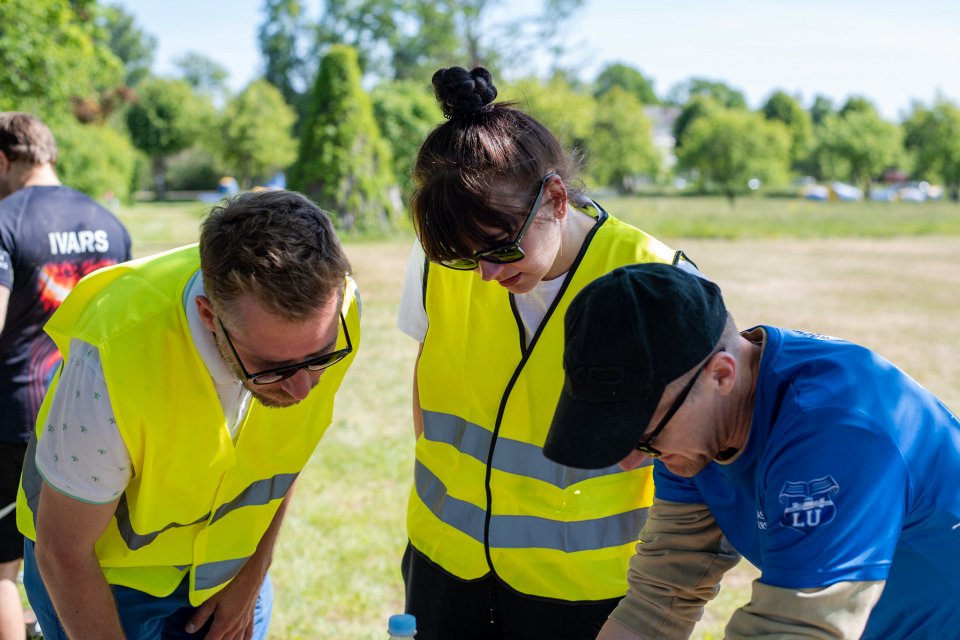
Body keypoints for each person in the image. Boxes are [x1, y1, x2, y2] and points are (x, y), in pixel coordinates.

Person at [396, 66, 698, 639]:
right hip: (445, 562)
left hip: (583, 590)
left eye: (500, 249)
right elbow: (427, 385)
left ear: (556, 198)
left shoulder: (656, 279)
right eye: (464, 256)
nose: (483, 273)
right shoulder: (445, 253)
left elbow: (695, 465)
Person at [544, 262, 960, 639]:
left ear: (720, 375)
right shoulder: (689, 427)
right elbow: (662, 595)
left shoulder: (835, 429)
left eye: (641, 437)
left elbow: (793, 629)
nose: (631, 460)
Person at [15, 188, 361, 639]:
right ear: (209, 316)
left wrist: (251, 577)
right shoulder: (114, 354)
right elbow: (64, 553)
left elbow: (283, 458)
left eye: (320, 357)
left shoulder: (336, 315)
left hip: (232, 574)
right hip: (107, 586)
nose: (302, 387)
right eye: (272, 368)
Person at [0, 112, 132, 639]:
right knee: (78, 557)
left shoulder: (6, 219)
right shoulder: (109, 222)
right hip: (93, 420)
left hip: (14, 417)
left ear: (4, 159)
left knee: (3, 570)